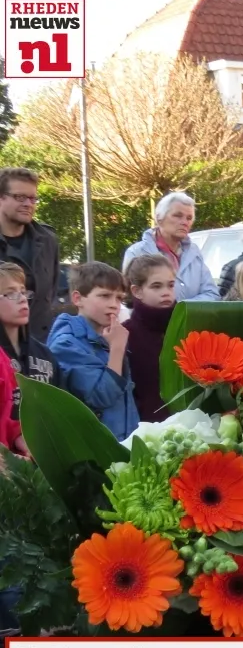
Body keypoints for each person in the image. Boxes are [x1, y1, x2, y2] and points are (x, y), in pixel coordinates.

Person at [48, 262, 139, 440]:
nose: (114, 305)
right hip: (95, 448)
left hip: (123, 442)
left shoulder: (108, 336)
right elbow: (100, 396)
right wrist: (117, 349)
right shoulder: (66, 343)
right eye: (104, 296)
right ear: (77, 299)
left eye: (119, 298)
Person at [0, 262, 60, 449]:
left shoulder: (44, 353)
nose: (22, 299)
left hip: (46, 452)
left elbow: (60, 402)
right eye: (10, 294)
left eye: (23, 291)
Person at [123, 191, 219, 302]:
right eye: (178, 216)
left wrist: (182, 309)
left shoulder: (194, 252)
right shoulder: (137, 252)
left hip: (191, 319)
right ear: (159, 218)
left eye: (189, 218)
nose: (184, 222)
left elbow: (212, 294)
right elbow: (130, 299)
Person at [0, 168, 60, 343]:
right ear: (1, 198)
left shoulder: (48, 240)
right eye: (20, 197)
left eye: (33, 198)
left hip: (39, 346)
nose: (28, 203)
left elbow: (50, 294)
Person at [121, 254, 177, 423]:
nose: (166, 293)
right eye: (156, 286)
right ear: (137, 291)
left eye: (171, 285)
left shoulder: (186, 326)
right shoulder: (125, 333)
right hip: (143, 429)